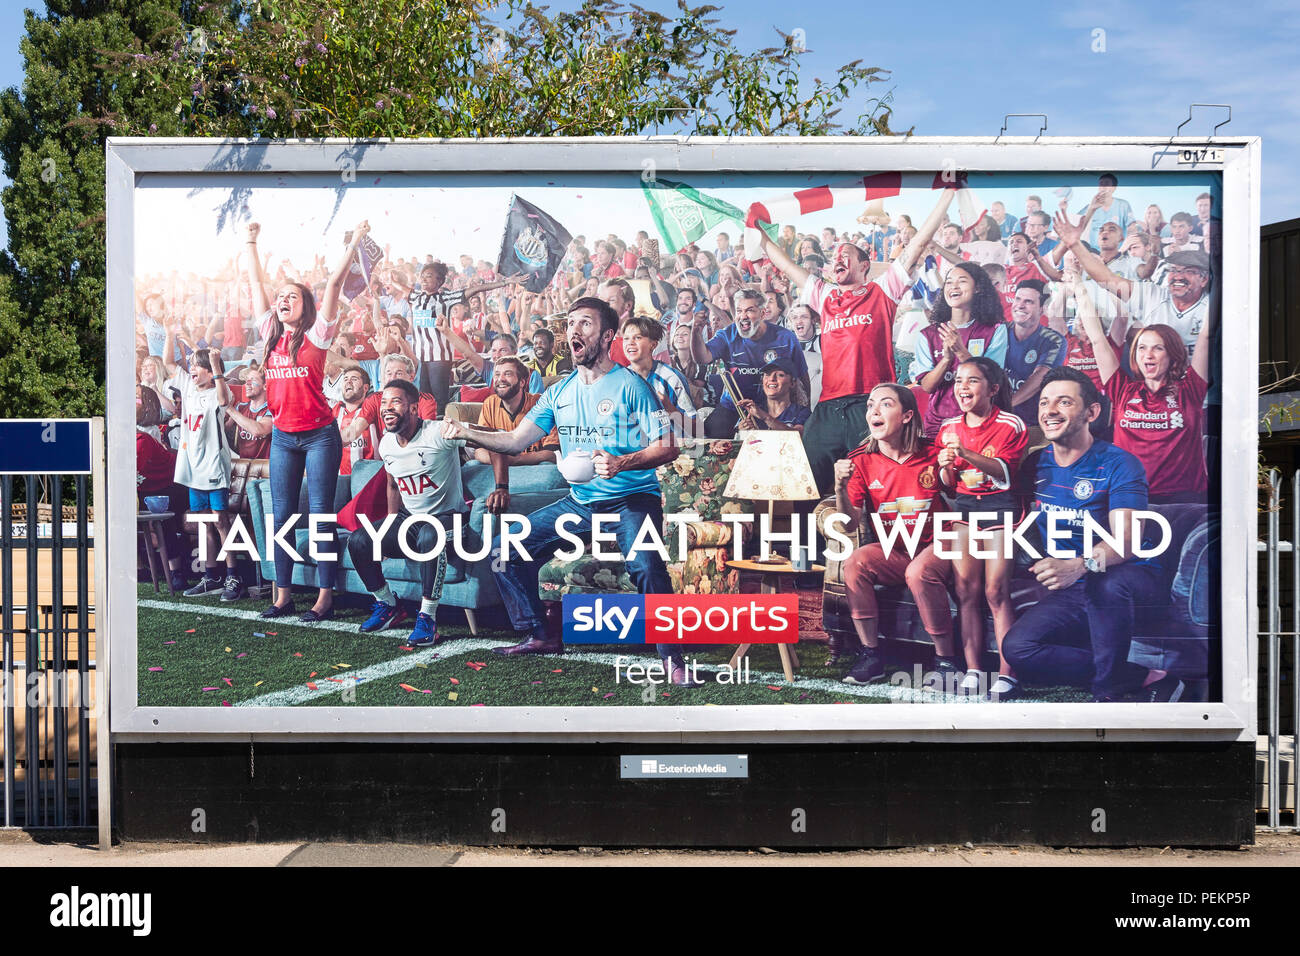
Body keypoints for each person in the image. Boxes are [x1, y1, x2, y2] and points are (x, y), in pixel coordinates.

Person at [440, 297, 687, 678]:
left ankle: (672, 658)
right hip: (581, 502)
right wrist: (465, 432)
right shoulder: (559, 393)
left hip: (632, 500)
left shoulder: (632, 385)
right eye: (571, 323)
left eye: (585, 324)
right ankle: (541, 633)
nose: (574, 330)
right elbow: (515, 441)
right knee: (504, 551)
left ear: (607, 336)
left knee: (647, 567)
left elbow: (669, 446)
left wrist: (623, 462)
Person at [760, 188, 956, 492]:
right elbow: (785, 264)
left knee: (875, 484)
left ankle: (875, 538)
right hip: (828, 406)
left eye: (846, 255)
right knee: (807, 481)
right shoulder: (824, 295)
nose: (837, 258)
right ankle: (811, 538)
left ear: (864, 266)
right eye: (834, 256)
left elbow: (916, 245)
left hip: (870, 404)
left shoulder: (882, 291)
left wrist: (947, 195)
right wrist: (758, 232)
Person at [1002, 367, 1165, 702]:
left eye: (1064, 402)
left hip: (1133, 580)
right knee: (1018, 648)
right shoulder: (1035, 465)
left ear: (1092, 412)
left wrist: (1077, 565)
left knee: (1105, 581)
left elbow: (1128, 541)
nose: (1049, 410)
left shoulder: (1120, 464)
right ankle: (1139, 675)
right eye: (1044, 402)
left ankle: (1108, 693)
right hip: (1075, 588)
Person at [245, 220, 360, 622]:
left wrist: (355, 241)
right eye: (281, 297)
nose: (281, 300)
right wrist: (252, 242)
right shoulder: (269, 336)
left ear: (305, 306)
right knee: (282, 519)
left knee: (321, 513)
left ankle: (324, 599)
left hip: (319, 437)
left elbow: (333, 285)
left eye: (291, 296)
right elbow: (256, 286)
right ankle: (282, 597)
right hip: (283, 439)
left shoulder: (318, 336)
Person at [832, 384, 953, 685]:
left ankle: (947, 660)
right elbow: (849, 524)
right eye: (871, 405)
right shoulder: (860, 460)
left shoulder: (934, 453)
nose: (873, 410)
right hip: (896, 549)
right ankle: (871, 655)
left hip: (939, 544)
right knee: (855, 562)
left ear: (907, 415)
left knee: (918, 571)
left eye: (885, 405)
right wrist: (838, 488)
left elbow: (959, 496)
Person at [345, 379, 468, 647]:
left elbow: (489, 441)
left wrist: (502, 486)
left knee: (429, 534)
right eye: (384, 403)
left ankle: (427, 617)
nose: (387, 408)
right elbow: (392, 484)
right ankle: (388, 604)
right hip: (410, 519)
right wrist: (390, 524)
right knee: (359, 541)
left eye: (396, 402)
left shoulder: (438, 432)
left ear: (414, 408)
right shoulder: (387, 443)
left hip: (449, 518)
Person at [934, 357, 1028, 698]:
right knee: (966, 592)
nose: (963, 388)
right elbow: (947, 486)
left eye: (972, 381)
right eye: (959, 381)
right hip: (964, 510)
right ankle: (974, 669)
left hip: (1001, 509)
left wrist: (967, 453)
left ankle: (1008, 672)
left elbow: (1005, 476)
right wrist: (946, 467)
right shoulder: (948, 428)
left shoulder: (1011, 424)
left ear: (993, 389)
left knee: (995, 592)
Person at [1074, 278, 1214, 503]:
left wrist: (1217, 278)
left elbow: (1206, 334)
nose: (1147, 355)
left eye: (1158, 348)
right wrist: (1079, 287)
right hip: (1129, 497)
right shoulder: (1122, 390)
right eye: (1142, 348)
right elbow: (1098, 339)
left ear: (1172, 355)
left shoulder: (1191, 389)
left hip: (1183, 500)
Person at [1055, 214, 1211, 351]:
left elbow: (1144, 271)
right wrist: (1074, 244)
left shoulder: (1212, 308)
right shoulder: (1152, 294)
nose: (1178, 276)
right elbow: (1107, 279)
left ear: (1204, 279)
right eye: (1174, 270)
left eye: (1188, 271)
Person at [385, 260, 515, 413]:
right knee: (423, 397)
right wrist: (393, 281)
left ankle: (443, 428)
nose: (424, 280)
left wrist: (504, 283)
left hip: (439, 358)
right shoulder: (415, 297)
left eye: (429, 276)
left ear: (439, 281)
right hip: (420, 357)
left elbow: (475, 289)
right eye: (422, 277)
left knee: (440, 399)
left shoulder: (445, 298)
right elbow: (403, 287)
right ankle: (426, 426)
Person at [174, 347, 245, 601]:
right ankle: (212, 575)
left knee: (220, 521)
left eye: (197, 365)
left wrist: (216, 364)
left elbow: (225, 401)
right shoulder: (190, 390)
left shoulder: (218, 391)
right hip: (194, 467)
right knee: (203, 522)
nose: (192, 369)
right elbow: (168, 365)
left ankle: (233, 575)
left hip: (214, 464)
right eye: (191, 365)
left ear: (210, 370)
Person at [690, 288, 807, 438]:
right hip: (733, 407)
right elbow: (702, 358)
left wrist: (806, 407)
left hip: (771, 409)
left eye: (750, 311)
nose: (743, 316)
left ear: (763, 313)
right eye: (739, 311)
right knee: (712, 444)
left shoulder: (785, 337)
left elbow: (802, 375)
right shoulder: (728, 334)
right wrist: (696, 332)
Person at [910, 260, 1009, 437]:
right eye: (949, 282)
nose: (953, 286)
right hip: (939, 424)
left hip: (981, 422)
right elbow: (927, 386)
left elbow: (993, 378)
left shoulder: (995, 329)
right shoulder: (928, 334)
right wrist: (946, 360)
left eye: (961, 281)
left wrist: (960, 352)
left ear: (978, 288)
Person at [469, 356, 562, 514]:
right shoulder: (490, 403)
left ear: (522, 382)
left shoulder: (540, 404)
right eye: (497, 374)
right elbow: (479, 451)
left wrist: (513, 460)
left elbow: (552, 454)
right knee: (470, 469)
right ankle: (507, 495)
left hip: (534, 470)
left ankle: (497, 496)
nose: (500, 379)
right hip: (501, 474)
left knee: (553, 474)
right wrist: (504, 464)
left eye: (508, 374)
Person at [620, 316, 698, 436]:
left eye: (638, 337)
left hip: (672, 449)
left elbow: (696, 430)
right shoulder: (621, 379)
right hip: (637, 449)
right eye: (626, 338)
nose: (630, 343)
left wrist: (670, 409)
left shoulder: (671, 378)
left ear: (653, 344)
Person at [1003, 279, 1065, 425]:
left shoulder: (1053, 340)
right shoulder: (1000, 331)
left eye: (1029, 301)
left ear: (1042, 309)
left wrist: (1004, 406)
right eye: (1017, 299)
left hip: (1032, 423)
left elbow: (1039, 377)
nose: (1020, 305)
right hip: (996, 418)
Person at [737, 360, 810, 433]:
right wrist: (742, 431)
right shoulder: (751, 411)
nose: (771, 379)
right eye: (767, 375)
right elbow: (735, 440)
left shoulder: (802, 412)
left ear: (792, 383)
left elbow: (797, 435)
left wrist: (765, 417)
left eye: (780, 375)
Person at [223, 366, 273, 460]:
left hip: (264, 468)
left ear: (265, 386)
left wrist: (229, 408)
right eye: (247, 380)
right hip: (243, 466)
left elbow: (258, 431)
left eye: (253, 380)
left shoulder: (271, 409)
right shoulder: (240, 407)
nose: (247, 383)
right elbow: (223, 429)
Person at [787, 303, 822, 406]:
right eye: (794, 318)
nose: (799, 321)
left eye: (804, 317)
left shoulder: (823, 341)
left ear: (813, 320)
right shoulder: (786, 345)